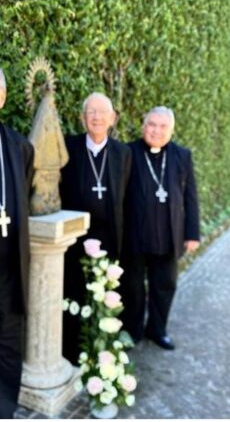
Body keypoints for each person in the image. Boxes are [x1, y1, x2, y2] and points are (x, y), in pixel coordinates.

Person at [120, 106, 200, 350]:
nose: (156, 130)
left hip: (168, 235)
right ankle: (132, 331)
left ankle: (157, 329)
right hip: (135, 235)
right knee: (132, 287)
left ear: (171, 130)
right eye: (151, 125)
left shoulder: (181, 155)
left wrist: (192, 233)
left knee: (164, 286)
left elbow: (190, 196)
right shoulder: (128, 152)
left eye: (162, 126)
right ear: (143, 126)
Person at [60, 92, 131, 364]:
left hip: (110, 238)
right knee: (75, 293)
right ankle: (72, 350)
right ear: (83, 118)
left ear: (112, 118)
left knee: (106, 295)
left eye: (102, 112)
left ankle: (101, 349)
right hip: (76, 238)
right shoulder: (70, 147)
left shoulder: (123, 153)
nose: (97, 117)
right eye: (91, 112)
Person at [0, 69, 34, 418]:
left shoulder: (19, 145)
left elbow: (24, 189)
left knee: (9, 339)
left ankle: (6, 405)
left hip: (10, 263)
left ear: (4, 97)